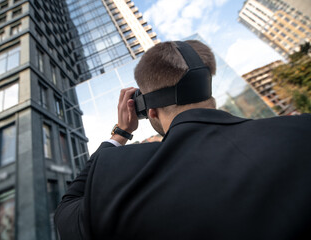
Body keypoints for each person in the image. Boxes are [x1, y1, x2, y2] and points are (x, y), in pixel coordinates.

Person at [54, 40, 311, 240]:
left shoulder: (120, 175)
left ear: (148, 110)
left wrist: (120, 133)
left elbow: (66, 213)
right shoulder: (301, 131)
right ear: (209, 92)